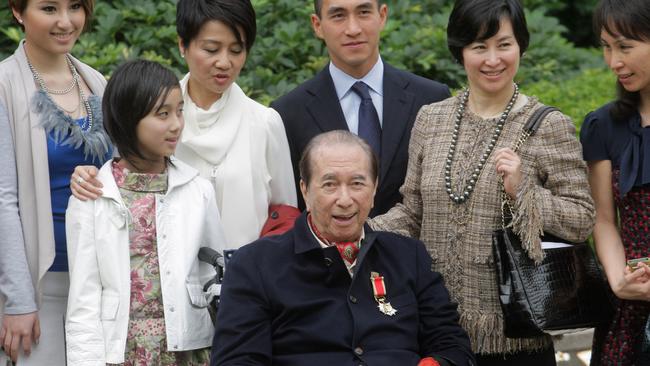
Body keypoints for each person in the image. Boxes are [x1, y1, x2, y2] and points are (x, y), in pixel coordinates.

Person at [369, 0, 595, 364]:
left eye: (504, 44)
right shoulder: (431, 119)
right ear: (460, 51)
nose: (493, 59)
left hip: (517, 340)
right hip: (436, 333)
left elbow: (582, 218)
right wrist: (356, 233)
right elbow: (412, 214)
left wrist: (523, 192)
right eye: (479, 46)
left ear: (520, 45)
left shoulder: (548, 124)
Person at [211, 130, 475, 366]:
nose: (345, 199)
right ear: (305, 191)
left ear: (374, 190)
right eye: (330, 184)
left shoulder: (409, 256)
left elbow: (453, 347)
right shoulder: (255, 264)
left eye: (357, 184)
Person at [71, 0, 297, 248]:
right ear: (182, 45)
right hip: (168, 279)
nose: (224, 62)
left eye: (236, 50)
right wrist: (89, 177)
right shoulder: (152, 120)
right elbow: (121, 182)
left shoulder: (264, 123)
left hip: (249, 280)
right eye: (211, 49)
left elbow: (285, 217)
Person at [65, 60, 226, 365]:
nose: (176, 124)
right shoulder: (92, 196)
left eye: (179, 110)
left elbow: (213, 276)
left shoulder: (198, 190)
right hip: (121, 351)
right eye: (162, 114)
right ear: (128, 119)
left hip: (187, 349)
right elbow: (84, 301)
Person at [0, 0, 111, 364]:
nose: (66, 21)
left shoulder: (98, 84)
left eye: (75, 7)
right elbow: (3, 198)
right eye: (49, 8)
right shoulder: (4, 85)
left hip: (100, 285)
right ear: (18, 12)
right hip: (37, 288)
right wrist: (17, 299)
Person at [271, 0, 450, 217]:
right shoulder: (288, 113)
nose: (353, 29)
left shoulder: (431, 99)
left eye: (363, 12)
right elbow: (293, 210)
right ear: (317, 25)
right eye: (338, 16)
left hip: (414, 247)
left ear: (382, 16)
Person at [581, 0, 650, 364]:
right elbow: (603, 219)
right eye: (606, 47)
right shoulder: (603, 125)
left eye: (625, 46)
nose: (613, 62)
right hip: (631, 304)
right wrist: (618, 279)